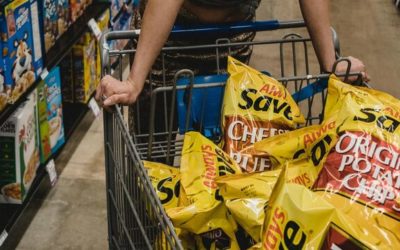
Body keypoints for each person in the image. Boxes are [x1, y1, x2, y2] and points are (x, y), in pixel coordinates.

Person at [96, 0, 369, 108]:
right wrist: (134, 81)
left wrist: (330, 64)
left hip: (232, 39)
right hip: (168, 40)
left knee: (227, 143)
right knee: (156, 152)